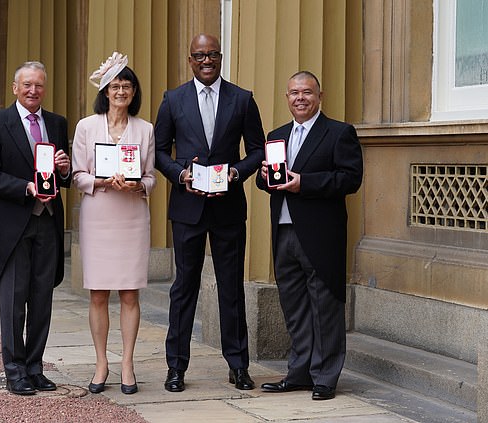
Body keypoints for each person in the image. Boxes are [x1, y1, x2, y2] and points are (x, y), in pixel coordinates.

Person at [154, 33, 265, 392]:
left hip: (228, 208)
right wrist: (180, 174)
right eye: (199, 55)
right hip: (187, 207)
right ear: (191, 60)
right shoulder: (173, 100)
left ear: (220, 57)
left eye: (212, 54)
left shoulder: (243, 99)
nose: (206, 60)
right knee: (183, 288)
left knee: (231, 288)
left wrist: (236, 172)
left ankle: (238, 366)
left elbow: (258, 151)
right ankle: (176, 368)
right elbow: (158, 152)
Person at [256, 71, 363, 400]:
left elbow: (350, 179)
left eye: (306, 92)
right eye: (293, 93)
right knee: (295, 306)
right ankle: (300, 371)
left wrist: (305, 183)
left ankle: (326, 376)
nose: (299, 98)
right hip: (284, 232)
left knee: (325, 305)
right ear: (286, 97)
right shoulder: (277, 135)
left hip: (320, 235)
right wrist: (264, 177)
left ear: (320, 96)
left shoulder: (338, 133)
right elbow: (270, 182)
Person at [0, 61, 71, 395]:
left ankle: (35, 367)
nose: (33, 91)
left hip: (48, 222)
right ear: (15, 87)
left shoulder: (57, 123)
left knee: (42, 299)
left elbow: (63, 177)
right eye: (27, 85)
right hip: (14, 224)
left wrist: (65, 168)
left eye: (39, 85)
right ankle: (14, 371)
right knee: (14, 303)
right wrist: (23, 188)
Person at [71, 52, 156, 395]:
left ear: (134, 92)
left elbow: (151, 178)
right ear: (105, 90)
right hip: (99, 215)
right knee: (97, 295)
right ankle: (101, 361)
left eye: (127, 86)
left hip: (132, 216)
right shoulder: (86, 126)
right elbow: (77, 176)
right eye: (115, 85)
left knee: (130, 294)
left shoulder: (145, 129)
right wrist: (101, 182)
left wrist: (138, 184)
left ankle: (128, 363)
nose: (121, 91)